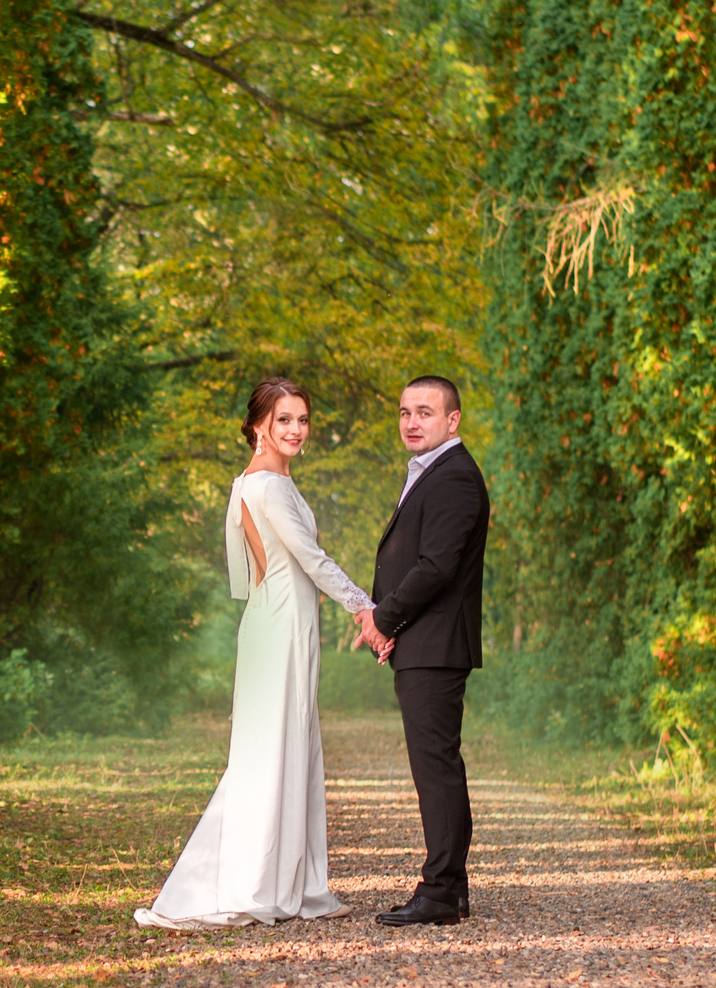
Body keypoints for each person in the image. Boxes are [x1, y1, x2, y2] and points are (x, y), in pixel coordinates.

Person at [135, 377, 375, 929]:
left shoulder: (251, 482)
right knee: (270, 753)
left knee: (289, 747)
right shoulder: (266, 486)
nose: (296, 430)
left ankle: (294, 883)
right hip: (280, 626)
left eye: (303, 420)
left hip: (276, 620)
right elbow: (311, 560)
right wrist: (364, 607)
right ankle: (250, 885)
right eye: (284, 419)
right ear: (258, 426)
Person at [351, 375, 490, 928]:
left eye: (425, 412)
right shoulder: (435, 472)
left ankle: (437, 890)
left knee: (434, 768)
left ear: (452, 421)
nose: (412, 422)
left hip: (435, 644)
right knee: (438, 765)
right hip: (423, 641)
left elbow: (437, 567)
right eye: (405, 412)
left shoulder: (454, 478)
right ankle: (451, 888)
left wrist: (383, 619)